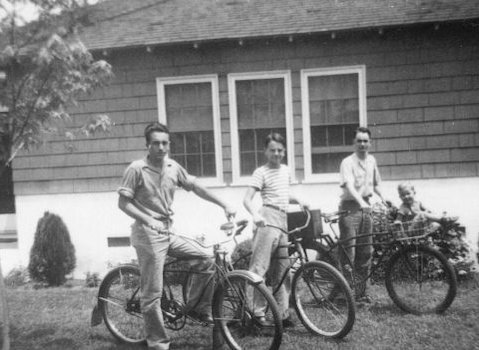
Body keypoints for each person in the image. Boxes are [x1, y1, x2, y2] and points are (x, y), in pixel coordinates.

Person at [117, 122, 235, 350]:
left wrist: (224, 204)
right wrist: (149, 220)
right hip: (146, 234)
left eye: (165, 143)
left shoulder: (172, 166)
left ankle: (197, 308)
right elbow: (123, 203)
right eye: (156, 143)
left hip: (167, 231)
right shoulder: (136, 169)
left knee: (206, 259)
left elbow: (197, 186)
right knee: (152, 292)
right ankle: (158, 343)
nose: (161, 147)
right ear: (147, 145)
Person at [243, 132, 309, 328]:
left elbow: (285, 194)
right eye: (272, 150)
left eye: (280, 150)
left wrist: (299, 200)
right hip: (267, 219)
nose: (277, 154)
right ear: (265, 151)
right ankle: (256, 313)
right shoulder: (260, 172)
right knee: (259, 268)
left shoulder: (286, 171)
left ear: (284, 151)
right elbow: (247, 199)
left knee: (283, 269)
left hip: (283, 220)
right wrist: (255, 215)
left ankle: (282, 313)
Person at [338, 126, 386, 303]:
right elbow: (349, 186)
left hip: (366, 209)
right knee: (348, 253)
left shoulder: (371, 160)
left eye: (366, 141)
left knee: (366, 252)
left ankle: (361, 293)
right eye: (359, 141)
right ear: (354, 143)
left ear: (370, 143)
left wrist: (385, 198)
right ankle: (346, 294)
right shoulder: (347, 162)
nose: (362, 144)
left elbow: (376, 184)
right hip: (350, 209)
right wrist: (362, 203)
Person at [393, 182, 458, 236]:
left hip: (421, 228)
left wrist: (430, 213)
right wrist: (398, 221)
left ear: (414, 193)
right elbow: (398, 219)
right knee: (422, 214)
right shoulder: (403, 207)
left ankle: (447, 230)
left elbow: (428, 211)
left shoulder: (418, 203)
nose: (406, 197)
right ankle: (443, 219)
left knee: (436, 224)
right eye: (403, 195)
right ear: (400, 197)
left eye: (408, 194)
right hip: (411, 231)